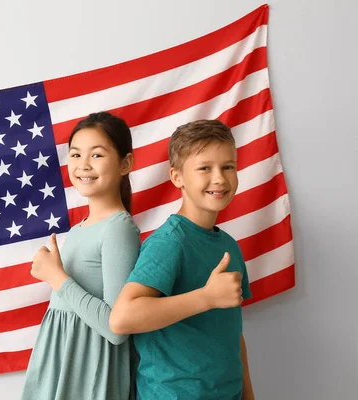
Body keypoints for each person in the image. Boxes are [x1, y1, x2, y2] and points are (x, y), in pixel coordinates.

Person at [110, 119, 256, 400]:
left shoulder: (229, 246)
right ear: (177, 177)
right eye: (204, 168)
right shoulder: (170, 242)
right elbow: (122, 318)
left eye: (228, 166)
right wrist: (207, 297)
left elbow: (233, 335)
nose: (219, 178)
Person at [20, 111, 140, 400]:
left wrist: (57, 277)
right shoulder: (78, 229)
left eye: (97, 155)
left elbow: (116, 327)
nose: (83, 165)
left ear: (126, 163)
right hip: (61, 363)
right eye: (75, 155)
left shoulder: (118, 229)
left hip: (90, 372)